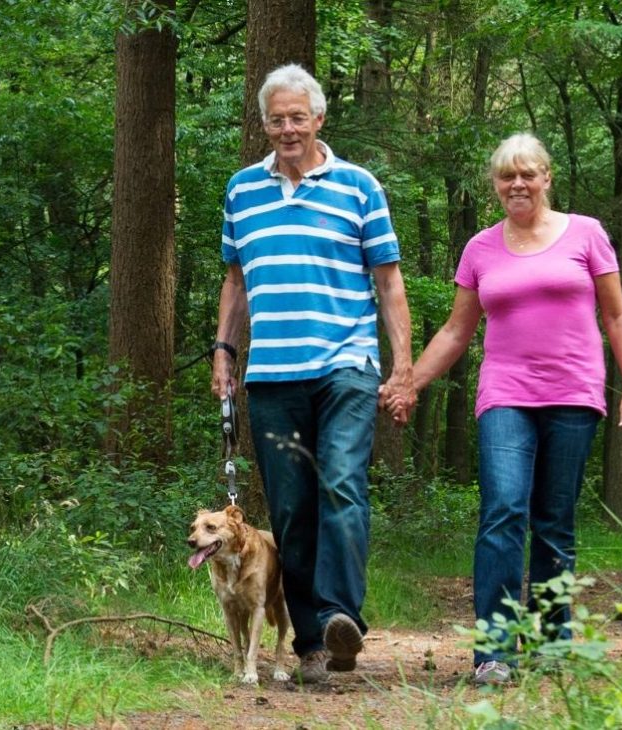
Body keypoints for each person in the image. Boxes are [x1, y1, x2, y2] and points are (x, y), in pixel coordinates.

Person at [387, 132, 622, 685]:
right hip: (505, 395)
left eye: (527, 173)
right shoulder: (481, 248)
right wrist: (410, 383)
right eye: (507, 176)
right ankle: (494, 650)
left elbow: (618, 316)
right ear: (496, 185)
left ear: (547, 177)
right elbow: (458, 331)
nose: (518, 184)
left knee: (554, 521)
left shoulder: (587, 234)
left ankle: (553, 643)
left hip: (574, 393)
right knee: (503, 508)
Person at [211, 63, 415, 685]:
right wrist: (223, 348)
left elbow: (388, 281)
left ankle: (338, 617)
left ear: (319, 119)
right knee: (293, 511)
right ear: (265, 124)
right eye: (277, 119)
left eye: (298, 117)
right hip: (271, 375)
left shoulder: (359, 186)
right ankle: (311, 647)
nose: (287, 129)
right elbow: (236, 278)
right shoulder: (242, 190)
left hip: (346, 367)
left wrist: (402, 367)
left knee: (342, 488)